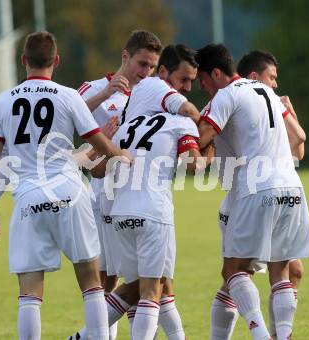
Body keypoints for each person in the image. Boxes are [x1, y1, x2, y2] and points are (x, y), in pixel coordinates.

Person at [0, 31, 132, 340]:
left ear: (23, 60)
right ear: (56, 61)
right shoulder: (68, 96)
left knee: (30, 293)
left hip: (28, 198)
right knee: (91, 282)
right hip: (69, 191)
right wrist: (122, 154)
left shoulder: (2, 103)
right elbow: (98, 143)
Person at [70, 44, 200, 340]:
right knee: (142, 286)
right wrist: (210, 129)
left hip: (120, 204)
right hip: (132, 205)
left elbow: (98, 166)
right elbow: (195, 162)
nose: (145, 73)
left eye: (150, 67)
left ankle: (87, 336)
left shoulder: (132, 117)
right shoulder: (165, 105)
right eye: (143, 64)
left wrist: (109, 147)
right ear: (125, 56)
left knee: (143, 284)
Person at [196, 43, 309, 340]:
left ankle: (261, 335)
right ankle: (282, 335)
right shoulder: (269, 94)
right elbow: (299, 138)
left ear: (215, 73)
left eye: (201, 80)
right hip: (291, 186)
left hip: (251, 192)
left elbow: (200, 143)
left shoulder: (226, 95)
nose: (201, 87)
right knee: (283, 273)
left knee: (235, 272)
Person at [237, 49, 307, 338]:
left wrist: (288, 112)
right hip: (254, 196)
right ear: (255, 77)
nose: (276, 84)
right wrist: (286, 111)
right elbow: (300, 138)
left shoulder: (269, 104)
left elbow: (299, 150)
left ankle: (277, 334)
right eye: (272, 77)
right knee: (238, 275)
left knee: (294, 272)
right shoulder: (249, 105)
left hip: (277, 191)